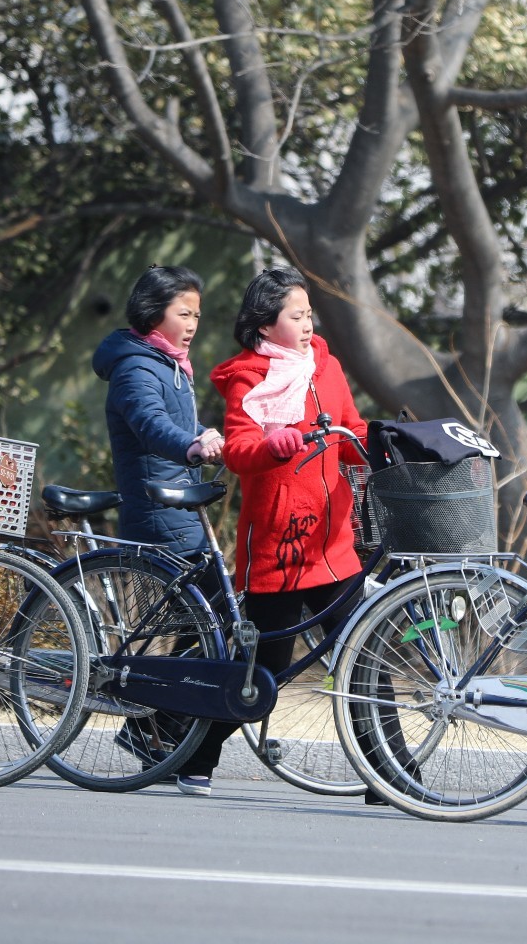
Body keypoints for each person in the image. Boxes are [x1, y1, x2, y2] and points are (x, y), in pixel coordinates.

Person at [173, 266, 369, 797]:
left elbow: (350, 429)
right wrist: (272, 445)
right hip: (280, 544)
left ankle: (392, 774)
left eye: (309, 315)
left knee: (363, 657)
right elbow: (237, 451)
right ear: (265, 325)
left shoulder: (326, 366)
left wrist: (381, 445)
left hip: (332, 543)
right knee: (264, 673)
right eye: (296, 316)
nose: (308, 325)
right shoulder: (247, 377)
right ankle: (192, 756)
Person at [94, 265, 225, 551]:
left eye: (196, 316)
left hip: (179, 504)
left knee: (215, 594)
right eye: (184, 315)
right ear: (153, 313)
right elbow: (152, 425)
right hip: (158, 513)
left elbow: (179, 422)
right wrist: (193, 445)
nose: (192, 325)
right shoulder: (135, 368)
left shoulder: (168, 364)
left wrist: (210, 439)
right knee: (213, 593)